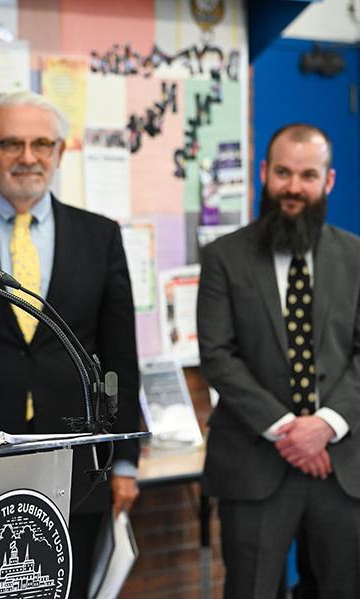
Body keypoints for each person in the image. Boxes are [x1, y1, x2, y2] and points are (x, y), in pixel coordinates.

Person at [0, 90, 141, 597]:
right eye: (12, 143)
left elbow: (119, 354)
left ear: (60, 152)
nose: (28, 157)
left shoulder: (99, 235)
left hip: (77, 460)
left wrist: (124, 460)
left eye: (42, 143)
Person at [197, 123, 360, 598]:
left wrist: (325, 425)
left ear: (328, 181)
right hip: (252, 466)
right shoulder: (224, 257)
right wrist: (290, 429)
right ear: (265, 174)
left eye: (308, 175)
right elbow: (218, 356)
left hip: (342, 469)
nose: (294, 187)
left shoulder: (356, 257)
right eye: (283, 173)